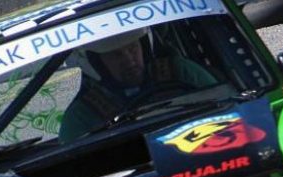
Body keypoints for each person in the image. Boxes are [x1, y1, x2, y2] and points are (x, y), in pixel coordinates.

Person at [59, 28, 218, 142]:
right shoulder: (81, 117)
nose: (129, 59)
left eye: (133, 48)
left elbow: (224, 105)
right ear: (96, 63)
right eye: (116, 55)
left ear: (145, 46)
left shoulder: (181, 72)